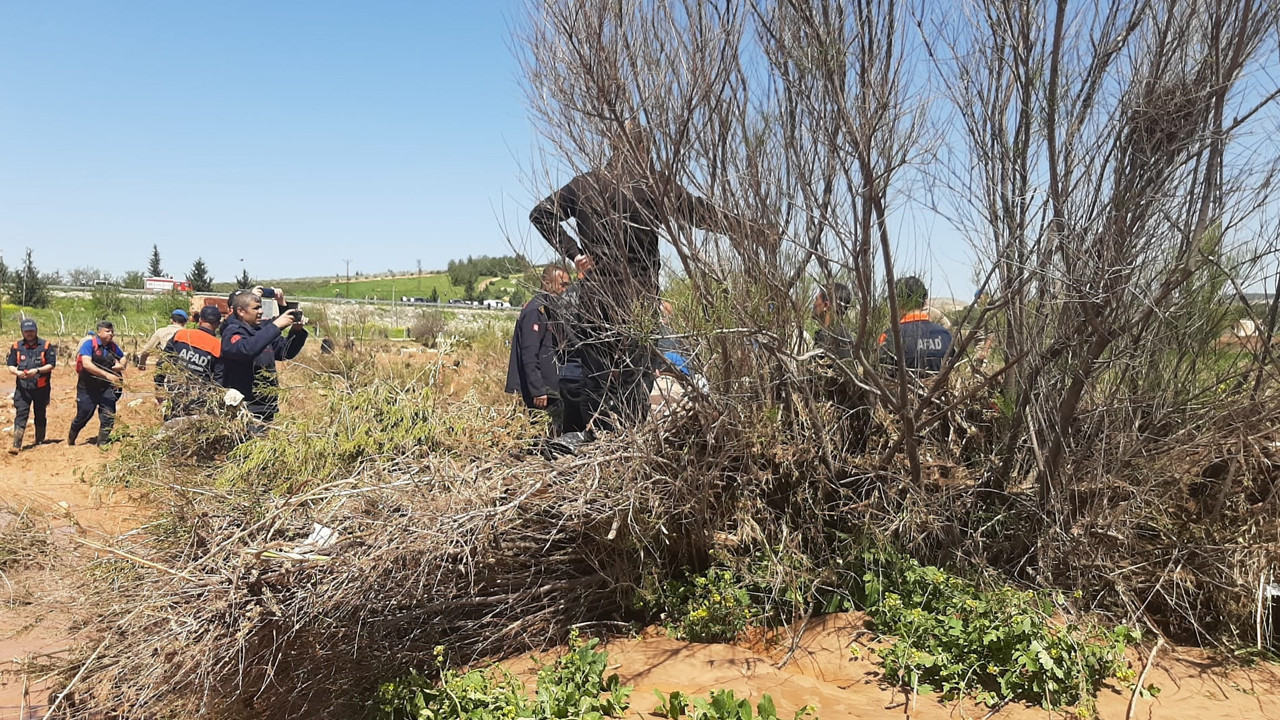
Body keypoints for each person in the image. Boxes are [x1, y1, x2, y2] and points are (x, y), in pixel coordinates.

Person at [530, 122, 749, 431]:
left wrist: (575, 254)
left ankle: (598, 449)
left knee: (596, 382)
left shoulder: (586, 184)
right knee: (636, 385)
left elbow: (540, 213)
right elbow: (700, 213)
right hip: (638, 304)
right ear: (644, 150)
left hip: (596, 303)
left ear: (614, 148)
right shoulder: (654, 185)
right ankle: (628, 449)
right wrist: (746, 229)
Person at [220, 291, 308, 422]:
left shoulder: (261, 332)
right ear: (241, 311)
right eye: (255, 308)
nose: (261, 311)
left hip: (265, 407)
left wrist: (296, 331)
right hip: (245, 407)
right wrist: (275, 326)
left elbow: (285, 352)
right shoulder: (232, 331)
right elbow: (247, 350)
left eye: (261, 307)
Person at [505, 265, 571, 428]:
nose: (565, 290)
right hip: (539, 395)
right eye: (562, 285)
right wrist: (538, 390)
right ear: (547, 283)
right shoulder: (535, 311)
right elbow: (529, 354)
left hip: (549, 391)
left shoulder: (550, 309)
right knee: (536, 436)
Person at [156, 305, 224, 420]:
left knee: (170, 427)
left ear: (200, 320)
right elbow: (219, 380)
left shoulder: (181, 335)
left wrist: (158, 387)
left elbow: (163, 362)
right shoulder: (218, 347)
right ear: (218, 324)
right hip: (200, 400)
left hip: (175, 393)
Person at [69, 321, 126, 446]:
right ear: (99, 332)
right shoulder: (89, 345)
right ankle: (72, 437)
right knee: (84, 414)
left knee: (108, 415)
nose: (110, 334)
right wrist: (107, 375)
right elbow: (86, 364)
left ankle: (102, 443)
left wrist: (121, 365)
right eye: (107, 331)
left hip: (106, 387)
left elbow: (123, 357)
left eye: (112, 331)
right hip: (87, 387)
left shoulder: (113, 346)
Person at [879, 276, 953, 373]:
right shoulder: (946, 337)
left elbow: (880, 376)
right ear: (924, 301)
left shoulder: (889, 337)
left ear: (898, 302)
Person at [7, 319, 56, 454]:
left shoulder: (46, 345)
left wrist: (38, 370)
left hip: (41, 387)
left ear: (36, 331)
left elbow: (52, 364)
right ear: (22, 332)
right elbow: (10, 365)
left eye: (31, 331)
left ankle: (39, 441)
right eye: (26, 331)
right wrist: (17, 372)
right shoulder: (16, 346)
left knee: (40, 413)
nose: (29, 333)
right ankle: (16, 444)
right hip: (23, 389)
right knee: (21, 414)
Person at [812, 283, 855, 359]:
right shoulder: (821, 336)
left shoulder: (843, 340)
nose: (813, 304)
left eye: (816, 299)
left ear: (826, 305)